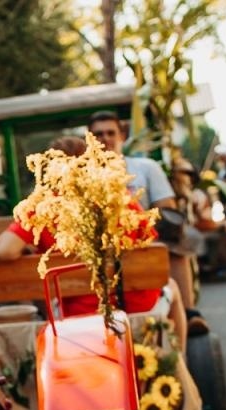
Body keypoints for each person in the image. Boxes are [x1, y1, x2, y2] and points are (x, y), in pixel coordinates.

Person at [0, 135, 187, 349]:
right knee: (173, 287)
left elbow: (4, 251)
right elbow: (148, 242)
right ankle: (177, 357)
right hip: (140, 306)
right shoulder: (117, 196)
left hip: (78, 314)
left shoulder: (42, 207)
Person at [83, 111, 207, 333]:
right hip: (99, 249)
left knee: (175, 246)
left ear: (122, 135)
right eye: (98, 134)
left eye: (110, 133)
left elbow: (166, 210)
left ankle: (188, 313)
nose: (105, 139)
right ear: (90, 138)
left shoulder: (145, 167)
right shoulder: (81, 176)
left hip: (144, 240)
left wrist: (135, 221)